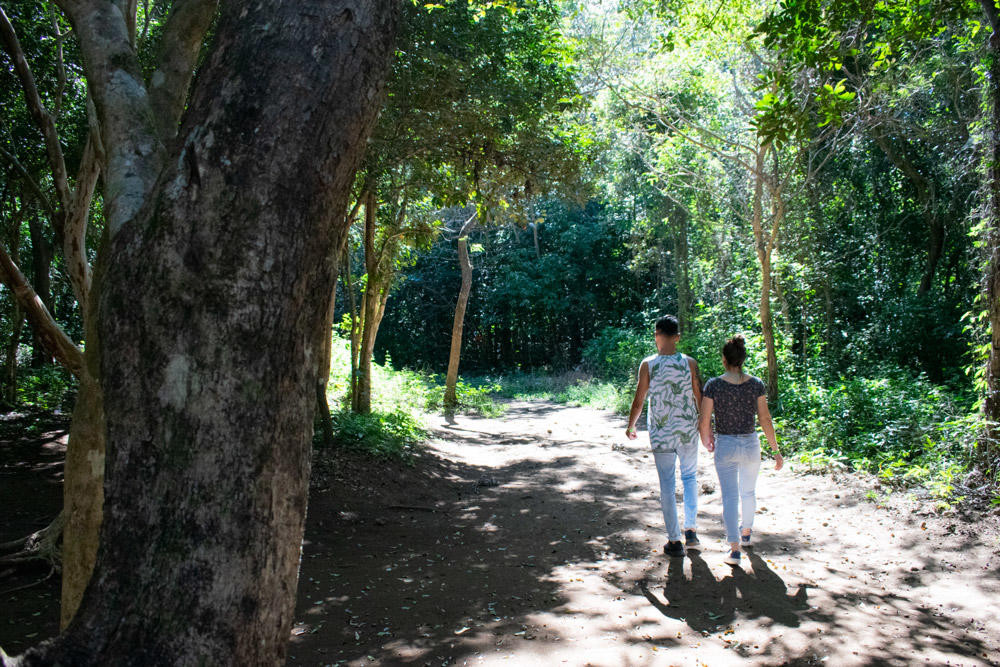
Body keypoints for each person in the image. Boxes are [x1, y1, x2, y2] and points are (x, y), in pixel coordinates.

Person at [699, 334, 783, 567]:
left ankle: (734, 548)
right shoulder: (756, 384)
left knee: (730, 496)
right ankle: (746, 533)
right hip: (750, 444)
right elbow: (765, 419)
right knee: (748, 492)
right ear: (742, 359)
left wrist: (706, 440)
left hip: (725, 443)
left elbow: (705, 418)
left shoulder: (713, 385)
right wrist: (775, 450)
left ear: (724, 360)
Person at [625, 315, 705, 558]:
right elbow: (699, 396)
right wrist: (704, 424)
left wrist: (631, 425)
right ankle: (690, 531)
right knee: (690, 477)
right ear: (677, 337)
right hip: (688, 431)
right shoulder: (690, 363)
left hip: (661, 434)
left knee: (667, 486)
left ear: (656, 335)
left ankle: (675, 541)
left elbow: (639, 399)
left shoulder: (648, 364)